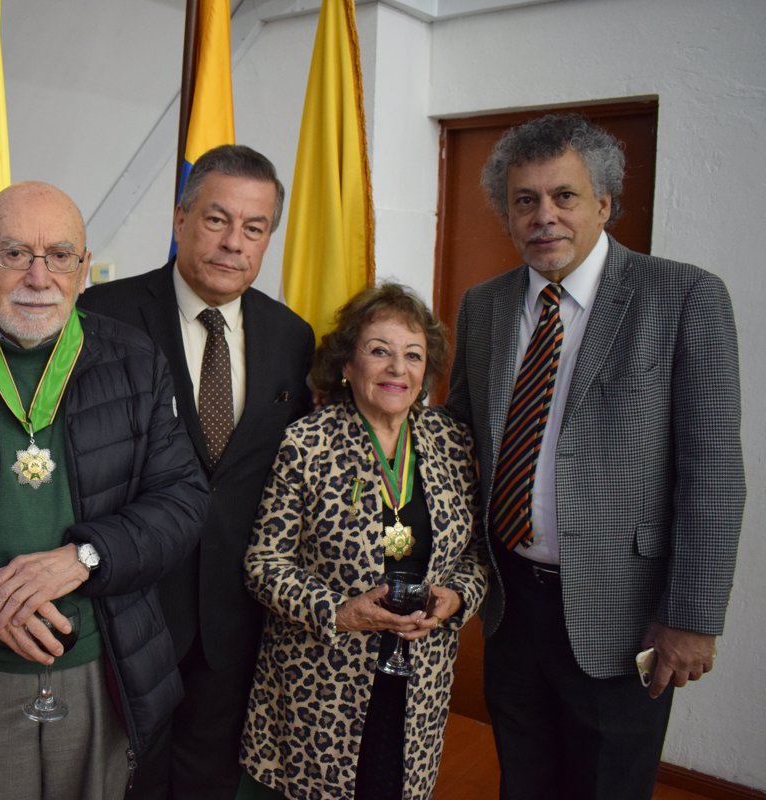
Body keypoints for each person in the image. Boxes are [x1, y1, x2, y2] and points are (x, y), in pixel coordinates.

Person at [445, 113, 745, 799]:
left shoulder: (684, 297)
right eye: (525, 200)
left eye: (564, 196)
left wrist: (693, 618)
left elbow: (713, 474)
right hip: (511, 602)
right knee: (523, 776)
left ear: (605, 203)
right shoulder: (484, 306)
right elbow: (459, 436)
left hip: (629, 611)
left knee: (610, 783)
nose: (543, 216)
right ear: (507, 213)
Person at [0, 181, 208, 799]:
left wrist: (83, 557)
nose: (38, 275)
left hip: (100, 666)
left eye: (59, 255)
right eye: (13, 254)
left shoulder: (137, 361)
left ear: (85, 270)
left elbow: (182, 501)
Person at [79, 144, 314, 799]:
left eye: (254, 227)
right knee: (117, 779)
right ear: (180, 219)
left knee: (210, 778)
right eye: (216, 220)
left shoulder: (292, 337)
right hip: (126, 607)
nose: (234, 241)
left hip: (234, 616)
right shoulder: (102, 316)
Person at [239, 283, 487, 799]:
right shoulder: (307, 443)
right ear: (347, 365)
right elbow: (264, 563)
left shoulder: (451, 441)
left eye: (413, 355)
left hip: (421, 673)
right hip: (322, 681)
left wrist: (458, 596)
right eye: (380, 351)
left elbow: (476, 552)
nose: (398, 368)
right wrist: (339, 611)